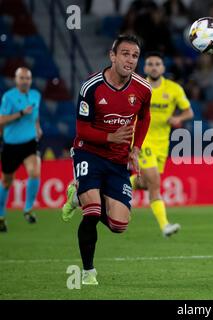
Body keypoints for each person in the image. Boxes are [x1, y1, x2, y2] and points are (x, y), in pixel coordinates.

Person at [61, 35, 151, 285]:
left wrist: (136, 148)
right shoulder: (91, 87)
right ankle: (88, 272)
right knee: (92, 212)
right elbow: (81, 130)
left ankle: (76, 194)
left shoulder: (143, 89)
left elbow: (144, 118)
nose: (130, 60)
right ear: (112, 56)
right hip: (88, 152)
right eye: (125, 54)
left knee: (119, 225)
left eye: (134, 56)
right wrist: (111, 136)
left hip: (119, 160)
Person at [130, 52, 193, 237]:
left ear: (163, 68)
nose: (154, 67)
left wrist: (177, 118)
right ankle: (165, 226)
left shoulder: (173, 89)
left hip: (162, 144)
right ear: (145, 68)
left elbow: (189, 112)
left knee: (144, 183)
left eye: (158, 64)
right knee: (155, 183)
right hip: (141, 140)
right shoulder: (139, 87)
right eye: (150, 64)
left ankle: (114, 185)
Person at [0, 67, 42, 232]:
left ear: (31, 80)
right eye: (22, 78)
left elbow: (36, 114)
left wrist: (38, 128)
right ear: (16, 80)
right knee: (7, 181)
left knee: (35, 171)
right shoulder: (8, 97)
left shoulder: (35, 95)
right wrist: (21, 113)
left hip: (29, 143)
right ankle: (1, 216)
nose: (25, 81)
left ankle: (28, 209)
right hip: (11, 145)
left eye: (28, 78)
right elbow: (1, 120)